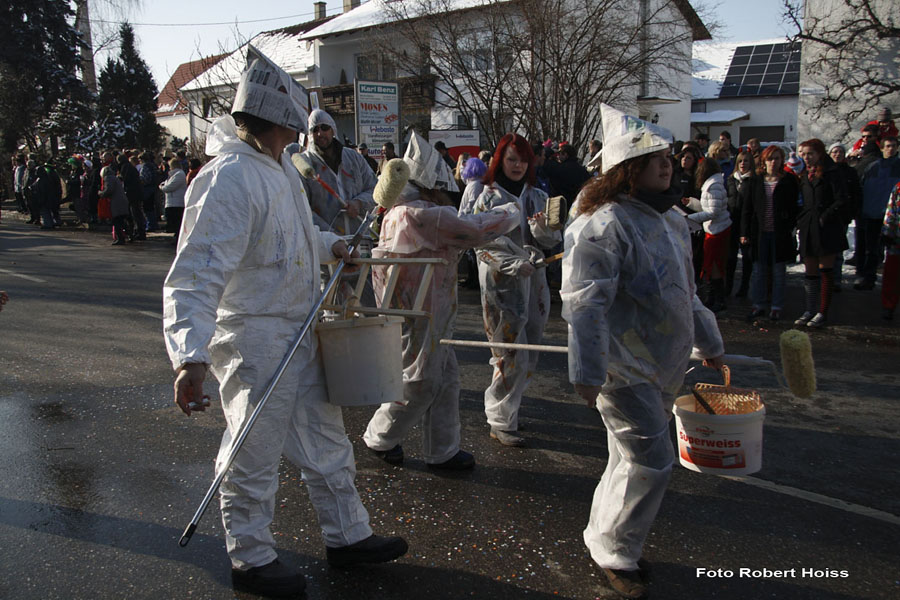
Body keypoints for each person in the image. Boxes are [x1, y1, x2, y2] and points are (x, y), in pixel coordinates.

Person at [162, 47, 407, 598]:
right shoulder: (227, 177)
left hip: (299, 327)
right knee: (254, 446)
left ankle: (348, 536)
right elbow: (196, 273)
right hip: (252, 336)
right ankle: (250, 557)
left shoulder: (279, 171)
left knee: (324, 437)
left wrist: (333, 244)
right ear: (282, 118)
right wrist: (190, 355)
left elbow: (293, 241)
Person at [561, 104, 724, 600]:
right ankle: (617, 551)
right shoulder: (602, 225)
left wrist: (709, 343)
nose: (667, 162)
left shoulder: (671, 220)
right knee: (651, 459)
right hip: (621, 368)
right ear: (626, 168)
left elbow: (685, 291)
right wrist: (587, 372)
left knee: (626, 458)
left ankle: (605, 537)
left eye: (668, 154)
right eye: (653, 155)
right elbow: (585, 306)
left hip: (661, 366)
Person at [363, 134, 521, 469]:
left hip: (428, 311)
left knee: (446, 376)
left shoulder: (399, 211)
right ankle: (380, 438)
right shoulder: (420, 214)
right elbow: (474, 229)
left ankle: (443, 450)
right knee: (420, 380)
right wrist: (512, 211)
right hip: (419, 313)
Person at [461, 133, 561, 447]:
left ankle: (510, 411)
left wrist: (546, 229)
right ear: (500, 161)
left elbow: (549, 241)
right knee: (506, 353)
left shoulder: (535, 194)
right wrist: (512, 264)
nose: (517, 165)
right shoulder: (488, 196)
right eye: (511, 159)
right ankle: (500, 420)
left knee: (531, 348)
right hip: (501, 286)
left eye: (523, 159)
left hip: (536, 281)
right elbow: (480, 244)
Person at [741, 145, 800, 321]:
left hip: (779, 233)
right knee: (759, 271)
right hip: (759, 233)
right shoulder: (756, 180)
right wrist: (744, 232)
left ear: (782, 161)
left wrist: (790, 225)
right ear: (764, 161)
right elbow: (747, 208)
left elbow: (794, 207)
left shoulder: (788, 180)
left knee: (778, 271)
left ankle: (776, 305)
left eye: (777, 158)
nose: (773, 162)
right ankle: (758, 304)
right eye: (770, 158)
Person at [795, 139, 850, 328]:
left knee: (825, 270)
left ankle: (822, 311)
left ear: (819, 153)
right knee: (809, 271)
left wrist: (825, 216)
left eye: (810, 153)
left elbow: (841, 199)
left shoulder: (832, 172)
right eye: (804, 154)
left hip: (827, 227)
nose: (806, 157)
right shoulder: (804, 174)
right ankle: (809, 309)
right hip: (808, 226)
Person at [299, 109, 377, 235]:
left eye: (324, 127)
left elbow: (375, 189)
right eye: (315, 130)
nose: (320, 133)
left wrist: (359, 203)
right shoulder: (306, 163)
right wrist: (330, 237)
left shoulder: (353, 158)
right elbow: (303, 208)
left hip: (358, 237)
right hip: (326, 244)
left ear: (333, 130)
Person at [684, 146, 731, 312]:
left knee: (715, 265)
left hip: (717, 230)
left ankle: (718, 298)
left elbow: (713, 212)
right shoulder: (713, 184)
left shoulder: (713, 186)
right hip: (714, 228)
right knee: (710, 264)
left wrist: (689, 218)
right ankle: (713, 297)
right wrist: (692, 204)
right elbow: (710, 207)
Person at [854, 137, 900, 290]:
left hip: (894, 217)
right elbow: (863, 188)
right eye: (887, 146)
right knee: (871, 249)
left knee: (893, 252)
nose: (890, 149)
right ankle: (869, 277)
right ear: (882, 148)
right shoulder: (872, 167)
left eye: (893, 146)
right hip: (872, 213)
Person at [828, 142, 861, 291]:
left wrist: (852, 212)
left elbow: (856, 194)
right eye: (834, 152)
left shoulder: (850, 172)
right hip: (827, 215)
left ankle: (836, 280)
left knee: (838, 249)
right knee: (826, 250)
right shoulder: (826, 171)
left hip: (842, 215)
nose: (837, 154)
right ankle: (825, 280)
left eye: (840, 152)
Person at [725, 150, 755, 298]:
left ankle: (744, 287)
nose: (743, 164)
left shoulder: (753, 181)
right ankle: (727, 287)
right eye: (741, 161)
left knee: (746, 259)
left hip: (746, 224)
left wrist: (746, 231)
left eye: (746, 161)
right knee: (730, 257)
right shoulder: (731, 179)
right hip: (731, 222)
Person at [881, 181, 900, 320]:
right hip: (897, 240)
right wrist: (887, 232)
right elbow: (891, 210)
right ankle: (888, 305)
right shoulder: (898, 187)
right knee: (892, 275)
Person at [99, 164, 130, 245]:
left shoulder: (108, 178)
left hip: (116, 202)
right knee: (121, 221)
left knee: (116, 221)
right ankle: (130, 235)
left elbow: (109, 190)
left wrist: (101, 193)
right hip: (122, 201)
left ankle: (120, 238)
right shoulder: (114, 178)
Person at [117, 153, 145, 240]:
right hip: (135, 193)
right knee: (136, 213)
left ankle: (139, 232)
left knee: (135, 213)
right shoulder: (129, 166)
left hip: (132, 194)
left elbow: (125, 179)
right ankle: (138, 231)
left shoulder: (125, 167)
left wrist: (119, 177)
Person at [159, 157, 187, 244]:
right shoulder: (173, 175)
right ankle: (176, 237)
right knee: (174, 222)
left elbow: (169, 187)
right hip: (172, 202)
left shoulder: (179, 174)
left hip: (177, 203)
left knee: (177, 222)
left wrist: (161, 187)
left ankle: (178, 238)